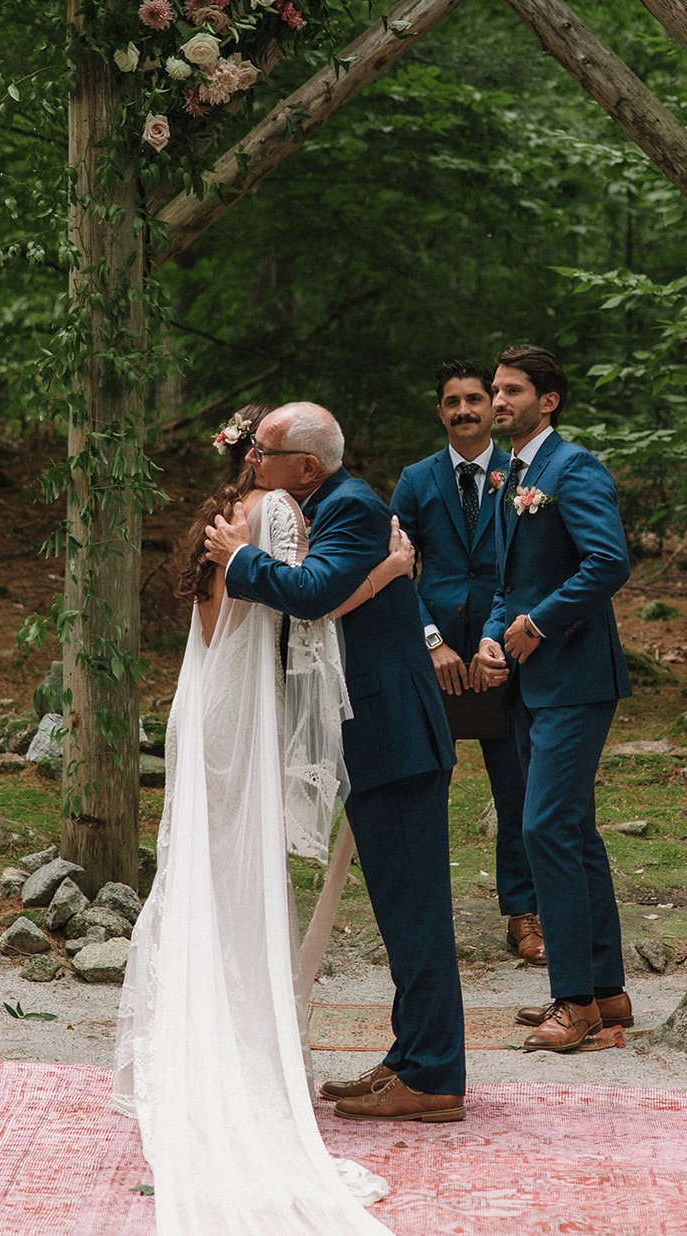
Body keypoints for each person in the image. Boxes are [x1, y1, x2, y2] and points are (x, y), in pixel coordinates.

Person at [114, 404, 415, 1234]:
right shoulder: (276, 514)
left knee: (201, 877)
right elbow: (310, 611)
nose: (257, 456)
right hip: (240, 721)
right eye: (258, 448)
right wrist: (389, 575)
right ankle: (240, 1063)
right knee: (239, 884)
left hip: (199, 705)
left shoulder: (225, 516)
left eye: (263, 447)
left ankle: (199, 1056)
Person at [204, 401, 467, 1125]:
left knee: (416, 913)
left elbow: (314, 595)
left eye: (265, 451)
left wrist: (239, 561)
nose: (252, 459)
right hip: (374, 737)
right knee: (399, 910)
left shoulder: (349, 506)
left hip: (396, 739)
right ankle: (410, 1060)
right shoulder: (325, 505)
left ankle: (436, 1076)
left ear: (308, 466)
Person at [473, 345, 635, 1052]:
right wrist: (489, 635)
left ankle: (571, 1001)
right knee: (572, 830)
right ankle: (606, 991)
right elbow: (509, 579)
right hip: (532, 682)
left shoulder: (574, 468)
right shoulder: (515, 473)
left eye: (511, 391)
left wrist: (539, 625)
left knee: (543, 828)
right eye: (494, 391)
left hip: (575, 678)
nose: (496, 402)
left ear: (550, 400)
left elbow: (608, 562)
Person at [390, 360, 543, 964]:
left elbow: (533, 566)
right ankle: (426, 922)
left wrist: (494, 645)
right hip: (437, 663)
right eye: (452, 402)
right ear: (440, 411)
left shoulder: (523, 474)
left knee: (518, 791)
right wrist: (432, 642)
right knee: (427, 791)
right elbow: (397, 570)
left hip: (504, 658)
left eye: (475, 399)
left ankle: (523, 913)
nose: (465, 412)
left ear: (494, 406)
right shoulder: (416, 479)